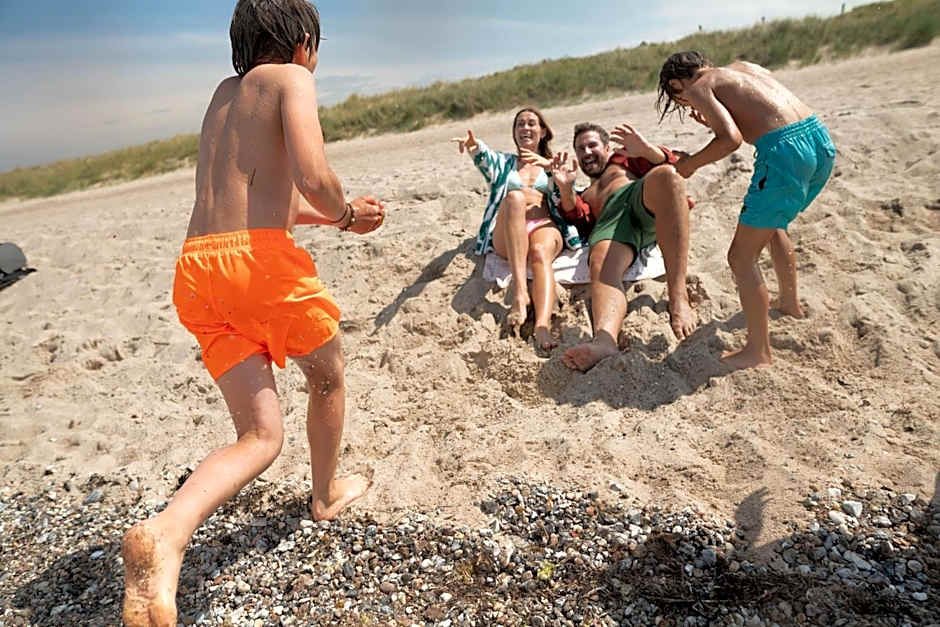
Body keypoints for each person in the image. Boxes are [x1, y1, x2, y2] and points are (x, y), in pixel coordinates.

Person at [122, 2, 383, 624]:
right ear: (305, 42)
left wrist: (334, 222)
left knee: (261, 435)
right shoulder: (294, 79)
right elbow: (315, 178)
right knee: (328, 377)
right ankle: (323, 496)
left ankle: (166, 533)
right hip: (256, 268)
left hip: (197, 270)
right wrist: (345, 212)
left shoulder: (222, 95)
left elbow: (266, 202)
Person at [658, 50, 836, 369]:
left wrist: (690, 165)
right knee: (772, 224)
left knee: (740, 257)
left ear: (676, 84)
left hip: (784, 154)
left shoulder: (698, 87)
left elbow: (730, 140)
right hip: (818, 139)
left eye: (679, 100)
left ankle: (758, 352)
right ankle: (790, 305)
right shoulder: (743, 67)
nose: (687, 104)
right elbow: (761, 106)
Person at [543, 122, 697, 371]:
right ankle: (605, 341)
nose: (586, 152)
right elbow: (576, 217)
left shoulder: (623, 160)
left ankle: (678, 298)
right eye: (580, 148)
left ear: (606, 147)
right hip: (611, 223)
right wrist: (565, 188)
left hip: (638, 197)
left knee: (668, 176)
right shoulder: (586, 193)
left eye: (592, 145)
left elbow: (677, 164)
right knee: (600, 262)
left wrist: (647, 150)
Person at [452, 108, 581, 350]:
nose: (525, 128)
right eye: (519, 124)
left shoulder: (552, 164)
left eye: (532, 123)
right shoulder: (504, 163)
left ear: (543, 132)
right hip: (508, 232)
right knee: (514, 198)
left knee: (541, 252)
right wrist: (474, 146)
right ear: (514, 132)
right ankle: (521, 295)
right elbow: (486, 157)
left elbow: (569, 203)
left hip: (543, 224)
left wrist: (555, 173)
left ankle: (542, 327)